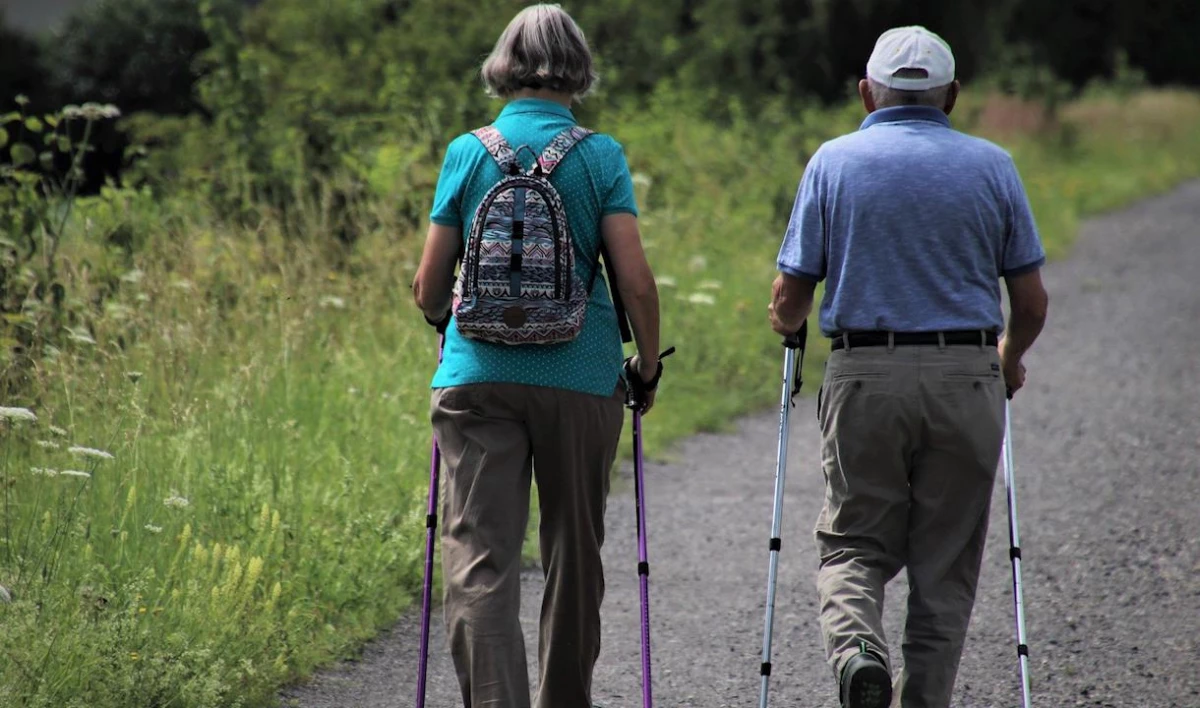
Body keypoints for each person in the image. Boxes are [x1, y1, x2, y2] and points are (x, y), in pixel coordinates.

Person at [767, 26, 1050, 708]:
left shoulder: (835, 162)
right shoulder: (994, 166)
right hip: (967, 375)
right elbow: (1032, 302)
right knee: (945, 567)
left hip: (866, 374)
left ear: (866, 92)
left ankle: (859, 647)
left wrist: (788, 320)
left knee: (854, 545)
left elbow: (790, 297)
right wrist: (1008, 361)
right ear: (952, 96)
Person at [410, 4, 663, 707]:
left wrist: (443, 319)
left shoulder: (468, 152)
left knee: (480, 563)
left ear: (504, 66)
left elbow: (431, 287)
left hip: (478, 379)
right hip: (581, 379)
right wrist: (644, 365)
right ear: (577, 69)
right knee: (572, 559)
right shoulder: (600, 155)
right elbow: (634, 280)